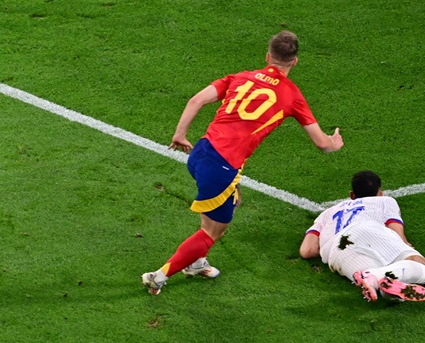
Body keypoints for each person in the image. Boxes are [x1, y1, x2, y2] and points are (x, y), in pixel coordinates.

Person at [141, 31, 342, 295]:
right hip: (222, 168)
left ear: (268, 56)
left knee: (233, 198)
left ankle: (197, 261)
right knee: (212, 232)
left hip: (201, 152)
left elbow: (196, 100)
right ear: (294, 62)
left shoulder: (241, 77)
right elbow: (322, 144)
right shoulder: (292, 95)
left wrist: (179, 134)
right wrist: (334, 143)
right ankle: (159, 276)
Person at [299, 170, 425, 302]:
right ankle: (377, 275)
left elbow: (307, 251)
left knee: (382, 282)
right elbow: (395, 227)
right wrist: (404, 245)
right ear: (380, 193)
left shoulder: (327, 213)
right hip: (367, 229)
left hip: (337, 251)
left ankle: (377, 280)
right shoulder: (385, 201)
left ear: (352, 195)